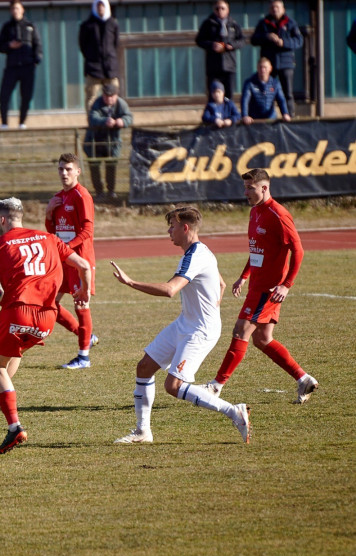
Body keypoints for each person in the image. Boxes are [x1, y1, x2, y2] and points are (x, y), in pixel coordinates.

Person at [111, 207, 251, 444]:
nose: (169, 231)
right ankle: (143, 432)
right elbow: (222, 283)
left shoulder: (196, 255)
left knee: (173, 385)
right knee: (144, 367)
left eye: (172, 226)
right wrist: (212, 306)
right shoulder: (198, 251)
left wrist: (131, 282)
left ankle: (234, 412)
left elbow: (170, 290)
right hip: (186, 323)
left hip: (199, 330)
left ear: (185, 227)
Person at [0, 198, 92, 454]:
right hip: (48, 318)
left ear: (2, 219)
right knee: (13, 355)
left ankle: (14, 426)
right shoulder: (49, 239)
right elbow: (82, 265)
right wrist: (85, 290)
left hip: (17, 314)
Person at [202, 168, 318, 404]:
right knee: (262, 339)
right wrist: (244, 276)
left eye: (250, 188)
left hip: (268, 290)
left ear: (264, 188)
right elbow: (257, 249)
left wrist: (286, 285)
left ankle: (215, 386)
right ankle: (303, 379)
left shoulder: (278, 214)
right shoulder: (255, 211)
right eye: (244, 187)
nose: (245, 192)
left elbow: (298, 250)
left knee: (240, 331)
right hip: (256, 286)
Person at [44, 153, 98, 369]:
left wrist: (67, 248)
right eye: (60, 169)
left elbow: (88, 230)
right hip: (63, 260)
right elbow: (53, 231)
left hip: (80, 259)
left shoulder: (82, 196)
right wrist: (48, 213)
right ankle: (87, 336)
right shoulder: (58, 197)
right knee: (50, 303)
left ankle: (83, 357)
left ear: (77, 171)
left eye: (68, 169)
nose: (64, 173)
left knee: (81, 304)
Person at [251, 0, 303, 116]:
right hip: (269, 64)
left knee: (287, 93)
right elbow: (253, 40)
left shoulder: (290, 23)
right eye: (273, 7)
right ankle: (267, 117)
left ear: (283, 9)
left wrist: (283, 42)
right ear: (269, 9)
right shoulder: (264, 23)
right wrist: (266, 36)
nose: (275, 9)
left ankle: (289, 117)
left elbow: (299, 41)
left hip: (286, 63)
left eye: (277, 7)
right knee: (267, 92)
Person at [0, 0, 42, 129]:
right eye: (13, 9)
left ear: (22, 10)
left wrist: (36, 60)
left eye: (17, 8)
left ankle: (22, 122)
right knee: (3, 96)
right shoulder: (7, 27)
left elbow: (38, 44)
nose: (15, 11)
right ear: (11, 11)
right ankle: (4, 123)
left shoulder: (30, 26)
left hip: (28, 67)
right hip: (12, 67)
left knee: (26, 96)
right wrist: (9, 46)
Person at [83, 83, 132, 200]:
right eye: (106, 96)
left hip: (113, 142)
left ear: (116, 95)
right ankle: (99, 191)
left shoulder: (121, 104)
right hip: (95, 141)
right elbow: (92, 117)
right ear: (103, 95)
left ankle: (111, 191)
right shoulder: (97, 103)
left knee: (111, 165)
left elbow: (129, 117)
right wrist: (104, 121)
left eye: (112, 96)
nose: (109, 99)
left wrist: (123, 121)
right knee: (94, 166)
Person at [194, 0, 245, 101]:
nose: (220, 11)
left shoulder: (233, 24)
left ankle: (229, 115)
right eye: (217, 9)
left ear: (227, 10)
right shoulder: (208, 24)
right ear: (214, 10)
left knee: (228, 94)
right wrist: (211, 45)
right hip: (213, 66)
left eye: (222, 8)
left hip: (229, 65)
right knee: (214, 93)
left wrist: (232, 45)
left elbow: (242, 40)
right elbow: (199, 40)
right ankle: (214, 115)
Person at [78, 0, 121, 111]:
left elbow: (116, 44)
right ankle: (93, 124)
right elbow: (82, 45)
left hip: (110, 68)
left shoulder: (113, 24)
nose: (100, 8)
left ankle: (113, 121)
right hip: (93, 68)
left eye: (102, 6)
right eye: (98, 6)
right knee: (91, 97)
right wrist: (92, 57)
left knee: (114, 96)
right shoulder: (87, 25)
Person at [240, 57, 291, 125]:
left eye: (265, 67)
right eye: (260, 67)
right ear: (257, 68)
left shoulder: (275, 83)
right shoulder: (249, 83)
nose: (263, 70)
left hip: (271, 120)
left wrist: (285, 113)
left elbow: (281, 100)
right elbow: (245, 100)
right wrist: (245, 116)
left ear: (270, 68)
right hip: (254, 121)